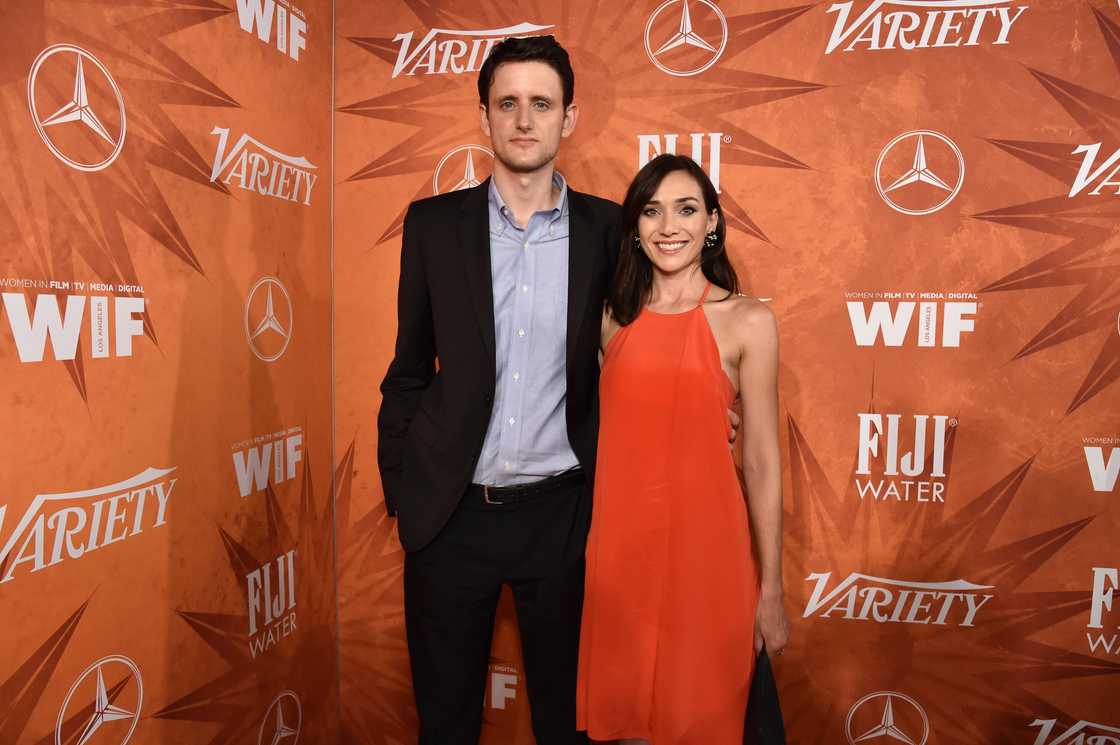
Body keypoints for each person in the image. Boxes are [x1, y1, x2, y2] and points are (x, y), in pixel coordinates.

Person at [377, 35, 620, 745]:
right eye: (507, 103)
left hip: (565, 517)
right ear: (484, 116)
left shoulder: (608, 230)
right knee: (445, 724)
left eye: (540, 104)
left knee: (569, 727)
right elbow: (408, 369)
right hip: (451, 517)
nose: (523, 119)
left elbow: (643, 356)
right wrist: (407, 489)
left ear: (568, 119)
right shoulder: (432, 226)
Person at [576, 154, 791, 745]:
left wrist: (770, 588)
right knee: (629, 725)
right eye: (652, 211)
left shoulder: (747, 320)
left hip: (709, 558)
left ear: (713, 223)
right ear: (636, 228)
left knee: (702, 721)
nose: (668, 226)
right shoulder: (608, 321)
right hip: (621, 559)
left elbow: (763, 460)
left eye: (687, 209)